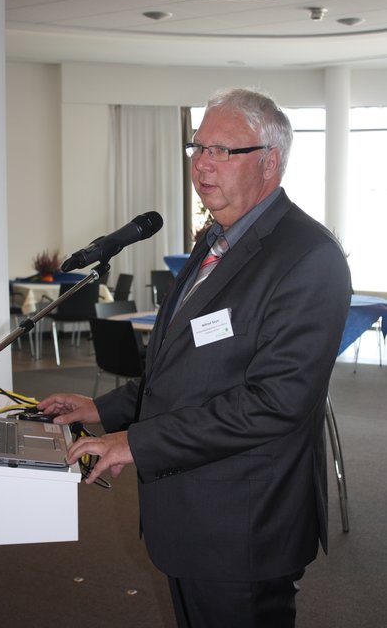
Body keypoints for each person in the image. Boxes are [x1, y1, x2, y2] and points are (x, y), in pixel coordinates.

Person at [39, 88, 351, 628]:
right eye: (198, 147)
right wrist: (101, 410)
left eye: (222, 151)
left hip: (244, 524)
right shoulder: (215, 240)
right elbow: (183, 368)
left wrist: (135, 442)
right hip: (191, 512)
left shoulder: (308, 256)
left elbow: (276, 403)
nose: (202, 164)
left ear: (270, 161)